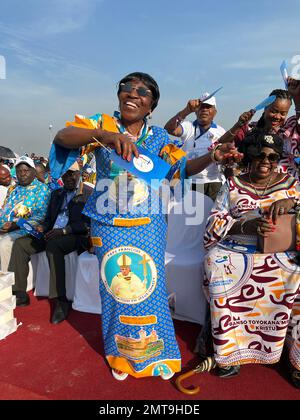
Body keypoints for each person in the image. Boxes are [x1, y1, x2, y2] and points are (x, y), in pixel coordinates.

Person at [52, 71, 241, 380]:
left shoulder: (158, 138)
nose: (133, 93)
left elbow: (179, 169)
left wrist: (211, 156)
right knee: (116, 288)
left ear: (151, 105)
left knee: (150, 286)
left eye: (142, 91)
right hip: (107, 223)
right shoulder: (103, 124)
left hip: (148, 223)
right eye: (127, 87)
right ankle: (120, 355)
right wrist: (108, 137)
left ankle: (156, 354)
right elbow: (63, 136)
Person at [203, 129, 300, 386]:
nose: (265, 161)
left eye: (272, 156)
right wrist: (245, 226)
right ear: (249, 156)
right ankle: (229, 353)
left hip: (283, 251)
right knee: (217, 264)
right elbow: (213, 224)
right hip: (236, 248)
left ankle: (295, 357)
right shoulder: (233, 185)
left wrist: (292, 206)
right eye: (259, 155)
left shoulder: (292, 184)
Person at [8, 162, 93, 323]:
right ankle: (19, 292)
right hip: (51, 233)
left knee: (54, 246)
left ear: (79, 174)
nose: (68, 177)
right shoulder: (57, 194)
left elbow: (86, 224)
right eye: (65, 174)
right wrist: (42, 227)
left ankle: (60, 300)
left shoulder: (87, 193)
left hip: (73, 236)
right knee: (21, 244)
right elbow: (49, 219)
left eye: (72, 174)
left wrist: (64, 231)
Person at [218, 77, 300, 179]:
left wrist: (296, 97)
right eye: (274, 111)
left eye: (283, 113)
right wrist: (238, 125)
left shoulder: (288, 132)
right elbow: (219, 147)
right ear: (265, 108)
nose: (277, 117)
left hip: (281, 190)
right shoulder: (248, 129)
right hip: (249, 188)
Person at [164, 93, 226, 201]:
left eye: (208, 107)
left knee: (212, 216)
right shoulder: (188, 126)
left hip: (213, 183)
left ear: (215, 112)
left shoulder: (221, 132)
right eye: (201, 107)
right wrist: (186, 111)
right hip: (189, 181)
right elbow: (169, 129)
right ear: (196, 110)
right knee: (188, 216)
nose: (204, 110)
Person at [0, 156, 50, 271]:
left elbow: (40, 217)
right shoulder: (12, 189)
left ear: (33, 171)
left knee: (4, 244)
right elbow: (3, 210)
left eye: (26, 170)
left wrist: (16, 225)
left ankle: (6, 283)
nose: (22, 174)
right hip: (4, 228)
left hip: (25, 230)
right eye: (19, 171)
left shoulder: (42, 190)